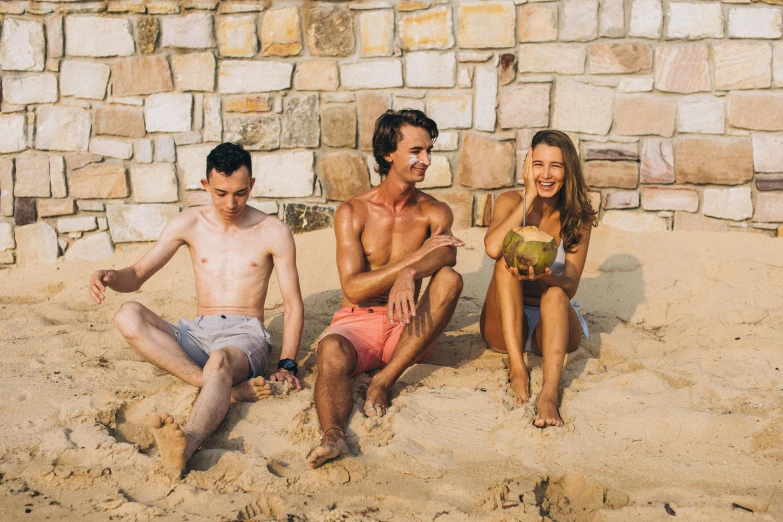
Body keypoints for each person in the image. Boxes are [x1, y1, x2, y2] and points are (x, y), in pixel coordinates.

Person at [88, 142, 304, 472]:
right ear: (205, 186)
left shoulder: (273, 230)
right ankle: (227, 390)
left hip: (244, 337)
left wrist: (287, 364)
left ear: (252, 186)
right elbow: (137, 275)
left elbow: (292, 305)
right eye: (220, 193)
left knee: (219, 361)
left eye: (240, 193)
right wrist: (111, 276)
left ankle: (186, 444)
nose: (231, 203)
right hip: (198, 331)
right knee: (127, 314)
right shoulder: (189, 223)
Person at [306, 109, 465, 469]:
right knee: (330, 350)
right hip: (357, 321)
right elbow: (353, 287)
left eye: (429, 150)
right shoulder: (353, 211)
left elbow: (446, 254)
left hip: (406, 329)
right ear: (388, 154)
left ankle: (383, 381)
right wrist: (407, 265)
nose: (426, 160)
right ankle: (332, 435)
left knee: (450, 281)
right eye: (416, 151)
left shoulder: (434, 211)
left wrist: (409, 274)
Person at [480, 130, 597, 428]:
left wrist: (546, 280)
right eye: (538, 164)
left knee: (556, 295)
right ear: (527, 166)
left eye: (555, 166)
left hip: (553, 325)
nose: (546, 174)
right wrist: (529, 193)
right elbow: (493, 247)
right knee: (503, 267)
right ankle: (518, 368)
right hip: (507, 325)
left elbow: (570, 283)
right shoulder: (509, 201)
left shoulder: (577, 216)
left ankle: (548, 394)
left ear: (568, 169)